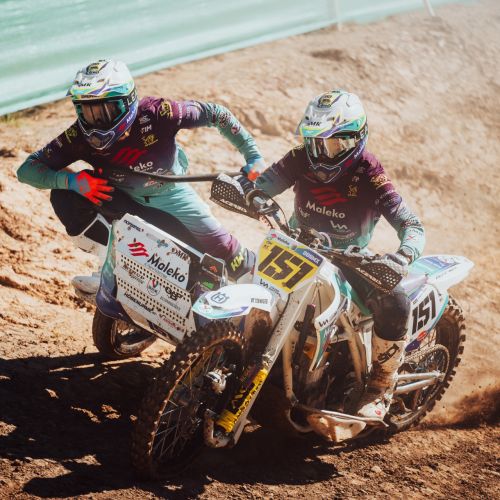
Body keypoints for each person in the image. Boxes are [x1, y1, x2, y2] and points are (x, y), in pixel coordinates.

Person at [17, 59, 265, 294]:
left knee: (224, 250)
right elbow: (26, 169)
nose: (96, 122)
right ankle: (110, 267)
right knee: (64, 196)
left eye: (105, 111)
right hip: (119, 197)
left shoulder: (159, 112)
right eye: (87, 112)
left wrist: (253, 155)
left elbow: (216, 113)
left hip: (172, 195)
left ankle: (258, 285)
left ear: (127, 101)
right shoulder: (77, 137)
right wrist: (71, 181)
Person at [251, 89, 425, 420]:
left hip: (350, 258)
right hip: (297, 246)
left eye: (333, 145)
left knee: (395, 301)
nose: (322, 154)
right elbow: (262, 185)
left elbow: (411, 224)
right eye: (316, 143)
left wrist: (403, 256)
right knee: (249, 273)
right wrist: (252, 195)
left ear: (356, 138)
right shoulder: (300, 157)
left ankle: (380, 387)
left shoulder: (370, 171)